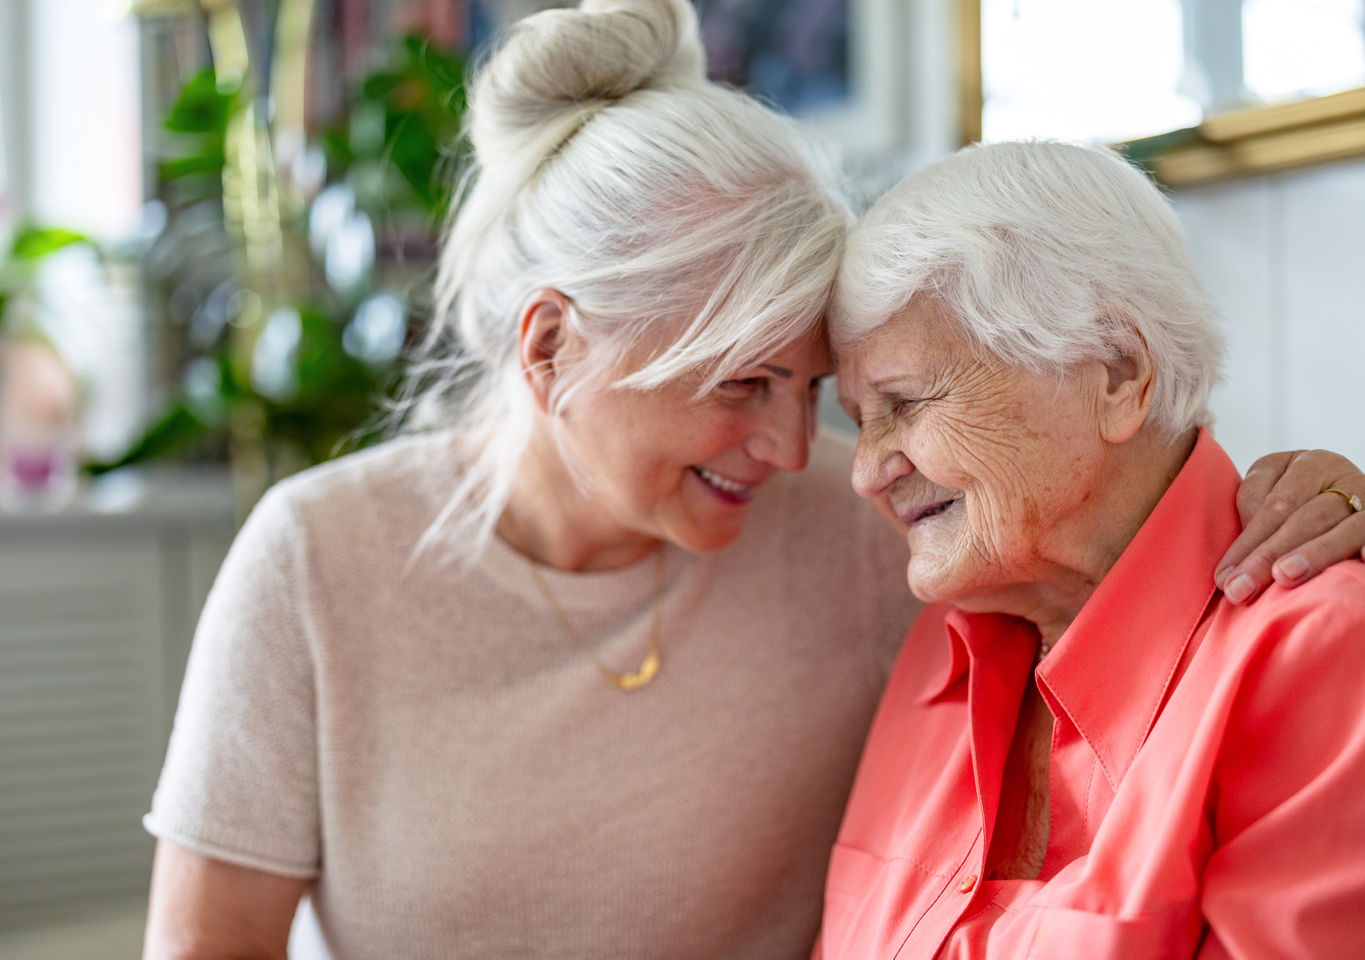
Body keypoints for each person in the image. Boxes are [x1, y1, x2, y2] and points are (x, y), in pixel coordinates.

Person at [141, 3, 1365, 957]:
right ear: (553, 345)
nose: (799, 458)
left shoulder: (886, 545)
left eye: (812, 391)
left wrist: (1320, 492)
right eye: (739, 384)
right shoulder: (314, 555)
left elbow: (1128, 515)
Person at [822, 140, 1365, 960]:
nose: (865, 471)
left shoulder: (1318, 651)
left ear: (1117, 371)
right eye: (858, 418)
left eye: (904, 403)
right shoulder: (936, 650)